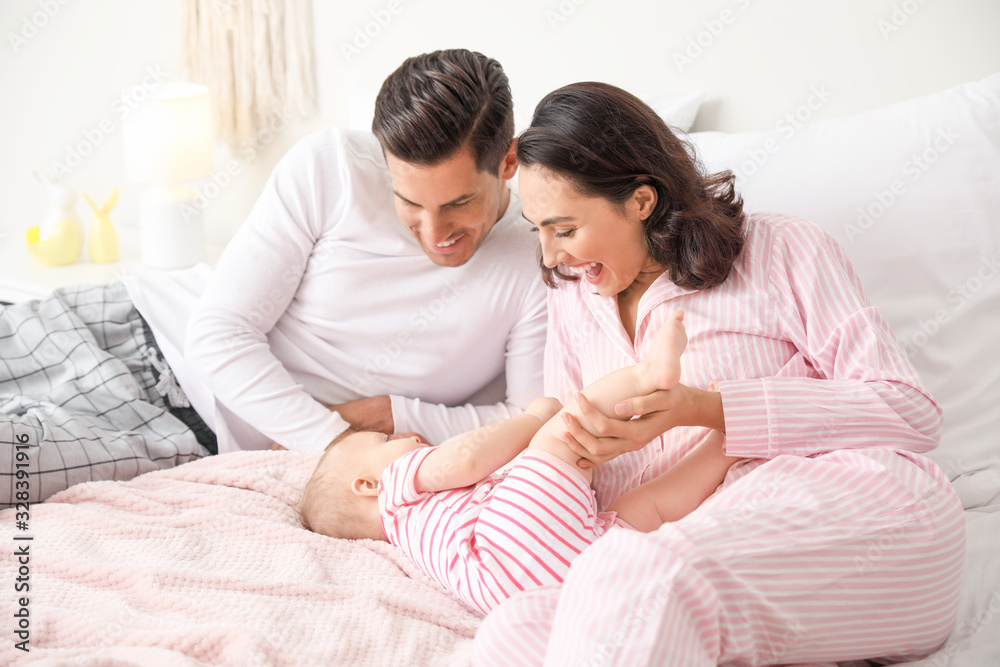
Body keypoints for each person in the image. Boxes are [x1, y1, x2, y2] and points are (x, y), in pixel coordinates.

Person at [471, 82, 966, 666]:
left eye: (565, 229)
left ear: (641, 200)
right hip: (678, 551)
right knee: (514, 630)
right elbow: (569, 462)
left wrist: (705, 409)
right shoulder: (573, 298)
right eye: (538, 230)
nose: (551, 256)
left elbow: (909, 411)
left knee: (641, 577)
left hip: (860, 506)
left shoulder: (780, 250)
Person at [0, 49, 546, 506]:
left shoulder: (538, 259)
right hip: (131, 328)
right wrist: (335, 443)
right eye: (409, 201)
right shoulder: (333, 166)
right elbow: (218, 333)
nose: (433, 231)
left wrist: (391, 413)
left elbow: (527, 419)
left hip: (184, 432)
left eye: (458, 203)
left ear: (508, 161)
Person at [300, 310, 737, 615]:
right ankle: (648, 375)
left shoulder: (413, 538)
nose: (405, 437)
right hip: (505, 545)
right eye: (386, 439)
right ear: (367, 485)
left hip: (543, 593)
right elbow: (466, 458)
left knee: (648, 509)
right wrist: (533, 421)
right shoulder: (396, 488)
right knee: (563, 435)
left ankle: (725, 446)